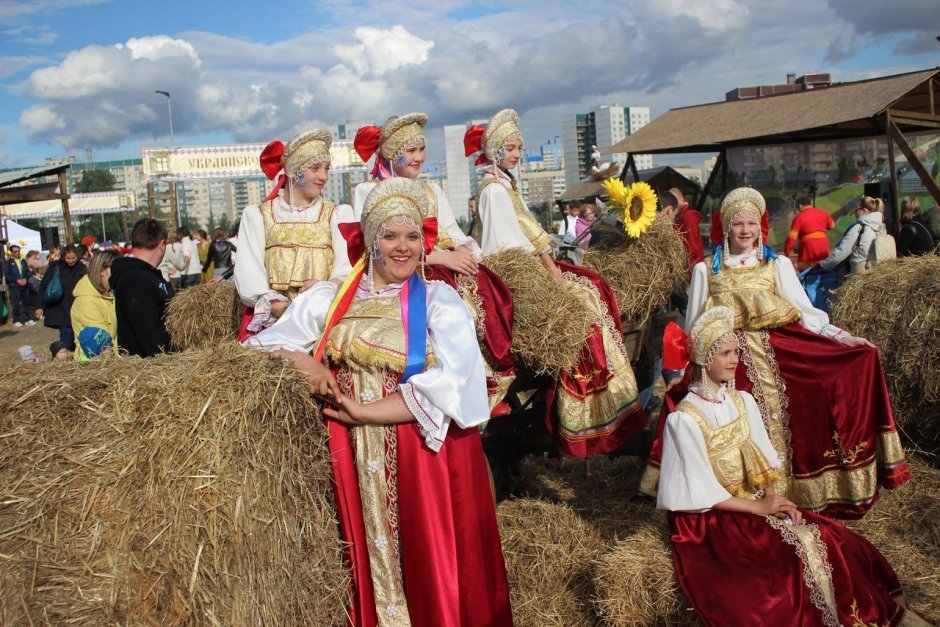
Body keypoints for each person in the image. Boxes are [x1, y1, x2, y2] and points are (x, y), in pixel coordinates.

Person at [245, 177, 513, 626]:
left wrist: (365, 413)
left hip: (423, 455)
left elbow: (455, 383)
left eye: (412, 237)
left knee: (430, 562)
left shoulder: (440, 301)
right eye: (390, 236)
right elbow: (258, 346)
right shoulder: (328, 299)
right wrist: (303, 362)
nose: (402, 248)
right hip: (347, 456)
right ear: (371, 242)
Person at [645, 187, 910, 517]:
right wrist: (681, 372)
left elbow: (806, 312)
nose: (746, 231)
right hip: (730, 357)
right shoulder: (707, 271)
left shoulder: (777, 264)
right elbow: (695, 326)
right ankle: (743, 497)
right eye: (739, 224)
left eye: (752, 224)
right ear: (726, 227)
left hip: (780, 349)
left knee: (812, 397)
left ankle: (807, 490)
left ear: (760, 227)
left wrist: (843, 338)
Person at [658, 306, 929, 627]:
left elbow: (761, 461)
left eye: (736, 352)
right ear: (704, 360)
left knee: (832, 538)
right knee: (784, 569)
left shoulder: (742, 401)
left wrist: (775, 500)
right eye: (726, 353)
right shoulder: (684, 420)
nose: (735, 360)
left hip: (753, 499)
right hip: (711, 519)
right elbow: (699, 491)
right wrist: (760, 508)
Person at [466, 108, 646, 457]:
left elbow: (528, 237)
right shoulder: (494, 191)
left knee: (592, 286)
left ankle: (607, 400)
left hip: (530, 266)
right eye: (513, 148)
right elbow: (509, 247)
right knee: (585, 298)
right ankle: (588, 408)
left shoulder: (505, 184)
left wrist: (552, 265)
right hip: (516, 276)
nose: (517, 154)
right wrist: (551, 272)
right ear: (497, 150)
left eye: (519, 148)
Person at [354, 112, 515, 410]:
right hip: (401, 266)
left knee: (486, 286)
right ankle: (464, 388)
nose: (418, 158)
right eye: (410, 151)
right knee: (453, 302)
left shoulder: (432, 189)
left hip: (442, 261)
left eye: (421, 150)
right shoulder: (369, 191)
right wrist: (441, 257)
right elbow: (373, 244)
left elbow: (452, 232)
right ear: (391, 154)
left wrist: (465, 253)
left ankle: (485, 383)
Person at [235, 127, 355, 338]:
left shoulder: (338, 215)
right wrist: (277, 305)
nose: (323, 176)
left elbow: (347, 269)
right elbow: (249, 270)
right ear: (293, 170)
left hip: (325, 320)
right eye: (315, 168)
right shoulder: (259, 216)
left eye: (327, 168)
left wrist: (325, 288)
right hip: (273, 323)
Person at [109, 218, 174, 357]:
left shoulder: (143, 275)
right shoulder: (136, 279)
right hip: (152, 367)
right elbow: (148, 332)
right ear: (162, 244)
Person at [818, 195, 887, 280]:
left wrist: (822, 265)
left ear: (864, 211)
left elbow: (842, 252)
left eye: (856, 210)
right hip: (875, 273)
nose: (854, 213)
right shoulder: (881, 228)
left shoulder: (859, 228)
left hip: (858, 274)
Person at [71, 249, 119, 360]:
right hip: (92, 367)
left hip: (112, 364)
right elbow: (101, 344)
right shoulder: (86, 302)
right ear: (102, 270)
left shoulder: (109, 295)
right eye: (114, 270)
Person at [37, 243, 86, 350]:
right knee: (67, 337)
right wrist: (39, 306)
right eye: (68, 258)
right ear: (63, 257)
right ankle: (65, 360)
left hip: (78, 309)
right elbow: (43, 286)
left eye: (74, 258)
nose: (71, 261)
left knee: (80, 340)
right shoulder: (55, 267)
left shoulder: (82, 268)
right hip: (61, 310)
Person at [784, 195, 835, 269]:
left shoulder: (799, 217)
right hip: (823, 244)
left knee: (806, 270)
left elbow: (792, 237)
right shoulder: (822, 212)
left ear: (800, 205)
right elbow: (832, 226)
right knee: (823, 267)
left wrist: (787, 252)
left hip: (808, 246)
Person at [670, 187, 704, 270]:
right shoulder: (680, 216)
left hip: (691, 269)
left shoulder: (688, 216)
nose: (672, 205)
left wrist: (688, 269)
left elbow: (692, 246)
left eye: (674, 201)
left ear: (682, 199)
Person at [4, 244, 35, 327]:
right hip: (15, 286)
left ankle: (28, 319)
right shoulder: (8, 263)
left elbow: (28, 272)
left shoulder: (23, 261)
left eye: (18, 251)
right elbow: (7, 275)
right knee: (15, 303)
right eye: (15, 251)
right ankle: (16, 320)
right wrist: (16, 280)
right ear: (11, 253)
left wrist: (25, 279)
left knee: (26, 302)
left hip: (25, 285)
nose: (17, 253)